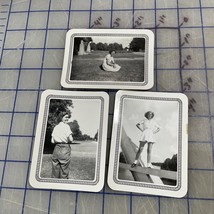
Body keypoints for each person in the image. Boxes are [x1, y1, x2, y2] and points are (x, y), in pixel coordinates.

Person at [51, 111, 73, 179]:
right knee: (64, 171)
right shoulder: (66, 126)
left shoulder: (56, 127)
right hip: (65, 148)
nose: (67, 119)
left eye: (68, 117)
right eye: (66, 117)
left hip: (56, 149)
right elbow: (71, 139)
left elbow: (52, 141)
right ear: (61, 117)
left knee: (55, 171)